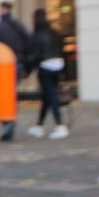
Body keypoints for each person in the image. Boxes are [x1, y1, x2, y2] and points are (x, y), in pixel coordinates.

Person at [26, 8, 67, 139]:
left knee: (51, 95)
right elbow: (62, 46)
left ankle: (60, 125)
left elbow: (34, 56)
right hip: (58, 64)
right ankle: (39, 125)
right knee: (47, 96)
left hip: (45, 67)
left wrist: (28, 71)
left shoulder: (35, 35)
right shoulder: (54, 32)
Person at [0, 0, 30, 142]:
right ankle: (10, 122)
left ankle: (7, 122)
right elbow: (28, 45)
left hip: (2, 66)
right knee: (11, 94)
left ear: (2, 10)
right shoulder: (20, 26)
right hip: (17, 64)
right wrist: (27, 66)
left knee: (1, 95)